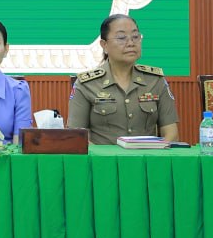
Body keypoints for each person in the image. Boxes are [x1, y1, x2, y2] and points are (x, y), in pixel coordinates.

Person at [67, 14, 179, 144]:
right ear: (104, 45)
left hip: (148, 155)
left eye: (135, 37)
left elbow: (171, 133)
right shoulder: (86, 84)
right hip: (102, 157)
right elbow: (77, 136)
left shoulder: (155, 81)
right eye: (121, 38)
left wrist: (155, 154)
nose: (131, 43)